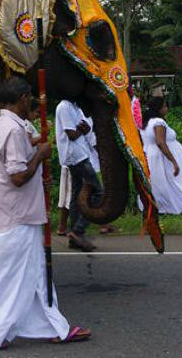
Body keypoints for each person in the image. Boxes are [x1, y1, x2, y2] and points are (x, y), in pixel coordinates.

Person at [0, 77, 91, 350]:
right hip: (15, 215)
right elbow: (18, 176)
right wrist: (40, 155)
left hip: (20, 214)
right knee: (4, 276)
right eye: (28, 97)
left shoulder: (7, 126)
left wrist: (35, 145)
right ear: (21, 99)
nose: (31, 102)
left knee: (36, 274)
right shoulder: (10, 129)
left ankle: (52, 326)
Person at [141, 98, 182, 234]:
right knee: (181, 187)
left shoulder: (146, 124)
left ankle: (151, 224)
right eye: (165, 106)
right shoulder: (158, 122)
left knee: (155, 190)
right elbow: (161, 142)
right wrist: (174, 161)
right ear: (158, 109)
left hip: (153, 160)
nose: (167, 109)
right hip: (164, 161)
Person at [54, 99, 103, 252]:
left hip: (81, 154)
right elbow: (72, 134)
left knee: (76, 194)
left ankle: (75, 236)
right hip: (76, 156)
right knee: (98, 191)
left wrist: (84, 130)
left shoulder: (76, 107)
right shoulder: (64, 107)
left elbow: (85, 129)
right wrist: (83, 130)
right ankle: (78, 230)